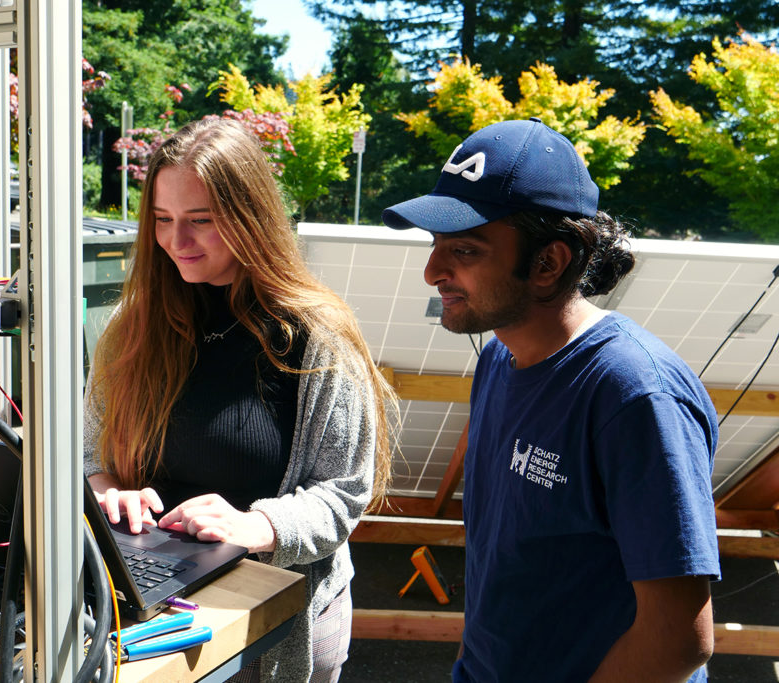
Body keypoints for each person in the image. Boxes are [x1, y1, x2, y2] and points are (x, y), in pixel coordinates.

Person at [381, 118, 720, 682]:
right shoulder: (497, 358)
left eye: (463, 249)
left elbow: (679, 641)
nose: (431, 271)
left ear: (549, 262)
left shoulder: (635, 394)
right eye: (435, 244)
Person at [83, 118, 396, 682]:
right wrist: (107, 490)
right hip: (143, 604)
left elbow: (345, 494)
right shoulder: (132, 330)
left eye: (200, 221)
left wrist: (255, 526)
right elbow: (89, 455)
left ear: (250, 218)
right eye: (162, 220)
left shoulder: (315, 336)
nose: (176, 242)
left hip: (272, 628)